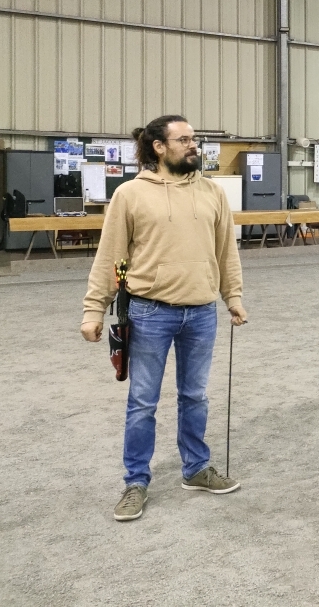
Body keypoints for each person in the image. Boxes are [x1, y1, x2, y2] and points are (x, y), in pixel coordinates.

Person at [81, 115, 248, 521]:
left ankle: (196, 469)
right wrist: (94, 309)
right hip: (149, 312)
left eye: (194, 139)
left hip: (202, 312)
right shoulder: (129, 195)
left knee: (195, 396)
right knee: (143, 402)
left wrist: (233, 296)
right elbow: (111, 256)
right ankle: (135, 482)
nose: (194, 146)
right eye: (184, 139)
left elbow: (226, 252)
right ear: (159, 146)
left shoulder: (212, 192)